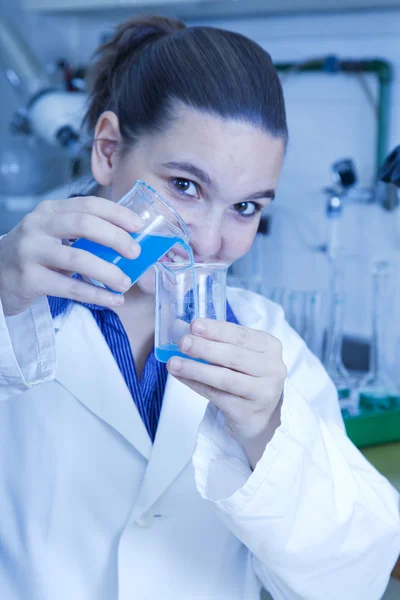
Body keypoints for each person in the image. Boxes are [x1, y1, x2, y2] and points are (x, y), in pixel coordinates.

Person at [0, 15, 399, 600]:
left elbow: (355, 575)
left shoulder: (269, 340)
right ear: (108, 152)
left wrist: (268, 434)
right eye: (185, 186)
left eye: (245, 207)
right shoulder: (14, 305)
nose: (210, 241)